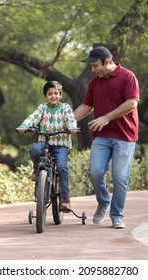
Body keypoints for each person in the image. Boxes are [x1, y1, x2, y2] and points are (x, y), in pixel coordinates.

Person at [74, 46, 139, 229]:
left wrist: (106, 117)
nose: (93, 70)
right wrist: (66, 122)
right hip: (101, 136)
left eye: (95, 66)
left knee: (119, 177)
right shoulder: (95, 82)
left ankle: (117, 215)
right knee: (94, 172)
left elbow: (132, 103)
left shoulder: (127, 77)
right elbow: (86, 106)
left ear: (107, 62)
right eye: (92, 67)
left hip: (124, 136)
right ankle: (103, 201)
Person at [17, 81, 77, 210]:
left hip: (61, 144)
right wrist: (24, 126)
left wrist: (72, 128)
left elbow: (70, 119)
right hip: (45, 143)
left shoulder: (65, 107)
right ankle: (37, 169)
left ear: (60, 94)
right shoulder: (42, 108)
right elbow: (33, 117)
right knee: (34, 151)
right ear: (45, 96)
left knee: (61, 166)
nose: (53, 96)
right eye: (50, 94)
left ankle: (65, 198)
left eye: (56, 93)